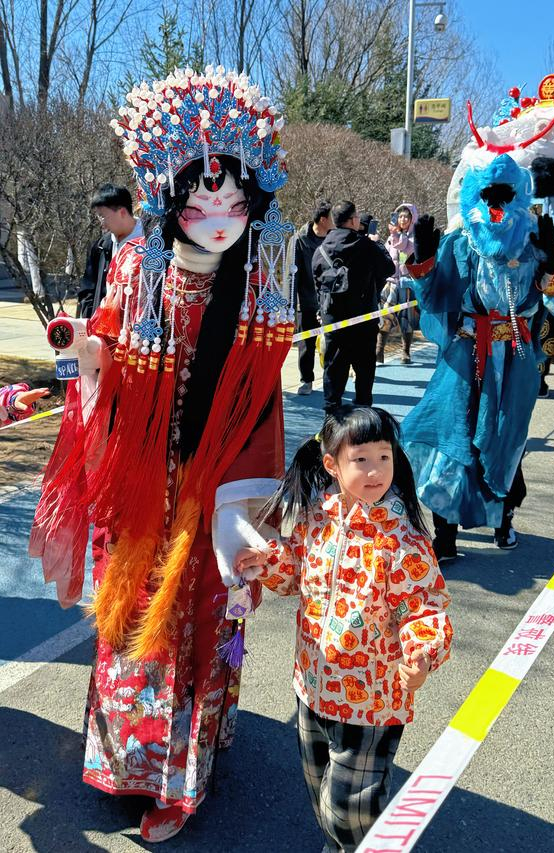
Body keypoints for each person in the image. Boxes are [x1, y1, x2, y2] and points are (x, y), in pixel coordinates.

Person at [30, 66, 293, 842]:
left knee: (196, 621)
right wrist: (82, 349)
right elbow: (107, 345)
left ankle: (182, 780)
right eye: (201, 201)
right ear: (167, 202)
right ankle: (123, 761)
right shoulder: (135, 266)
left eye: (234, 202)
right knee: (129, 620)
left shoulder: (257, 289)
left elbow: (263, 402)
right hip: (140, 478)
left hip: (212, 486)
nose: (218, 217)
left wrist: (243, 502)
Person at [233, 405, 452, 853]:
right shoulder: (317, 519)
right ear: (332, 464)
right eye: (362, 459)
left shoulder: (402, 539)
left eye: (384, 457)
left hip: (372, 699)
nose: (375, 471)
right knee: (320, 791)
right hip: (312, 686)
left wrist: (422, 654)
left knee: (349, 809)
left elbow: (425, 607)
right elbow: (295, 573)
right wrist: (268, 561)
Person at [402, 154, 554, 560]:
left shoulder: (537, 240)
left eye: (505, 194)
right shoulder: (463, 240)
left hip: (515, 358)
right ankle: (444, 533)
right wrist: (423, 260)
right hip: (466, 354)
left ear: (519, 195)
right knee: (451, 435)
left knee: (506, 437)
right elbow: (432, 298)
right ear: (477, 196)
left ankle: (503, 521)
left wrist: (553, 263)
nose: (496, 203)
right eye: (489, 194)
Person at [313, 201, 394, 414]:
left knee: (333, 369)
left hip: (334, 321)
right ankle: (362, 420)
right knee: (364, 371)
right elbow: (389, 268)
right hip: (363, 319)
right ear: (352, 220)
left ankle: (331, 419)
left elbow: (317, 283)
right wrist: (377, 243)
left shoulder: (320, 249)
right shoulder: (366, 246)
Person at [77, 184, 143, 318]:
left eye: (103, 216)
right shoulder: (101, 246)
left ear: (122, 212)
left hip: (136, 329)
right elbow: (87, 289)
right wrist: (91, 318)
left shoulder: (150, 243)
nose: (101, 222)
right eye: (98, 216)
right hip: (100, 331)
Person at [292, 200, 333, 395]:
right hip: (307, 300)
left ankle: (331, 380)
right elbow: (293, 275)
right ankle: (306, 380)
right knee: (306, 344)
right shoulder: (300, 240)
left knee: (332, 343)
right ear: (323, 219)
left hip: (331, 301)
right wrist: (292, 305)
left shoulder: (335, 238)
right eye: (332, 217)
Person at [377, 203, 420, 365]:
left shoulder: (414, 237)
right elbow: (388, 254)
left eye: (406, 217)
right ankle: (379, 351)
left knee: (406, 318)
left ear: (412, 219)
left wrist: (396, 235)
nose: (402, 219)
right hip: (391, 282)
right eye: (400, 216)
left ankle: (405, 352)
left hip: (407, 282)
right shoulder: (392, 235)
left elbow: (407, 249)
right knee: (384, 316)